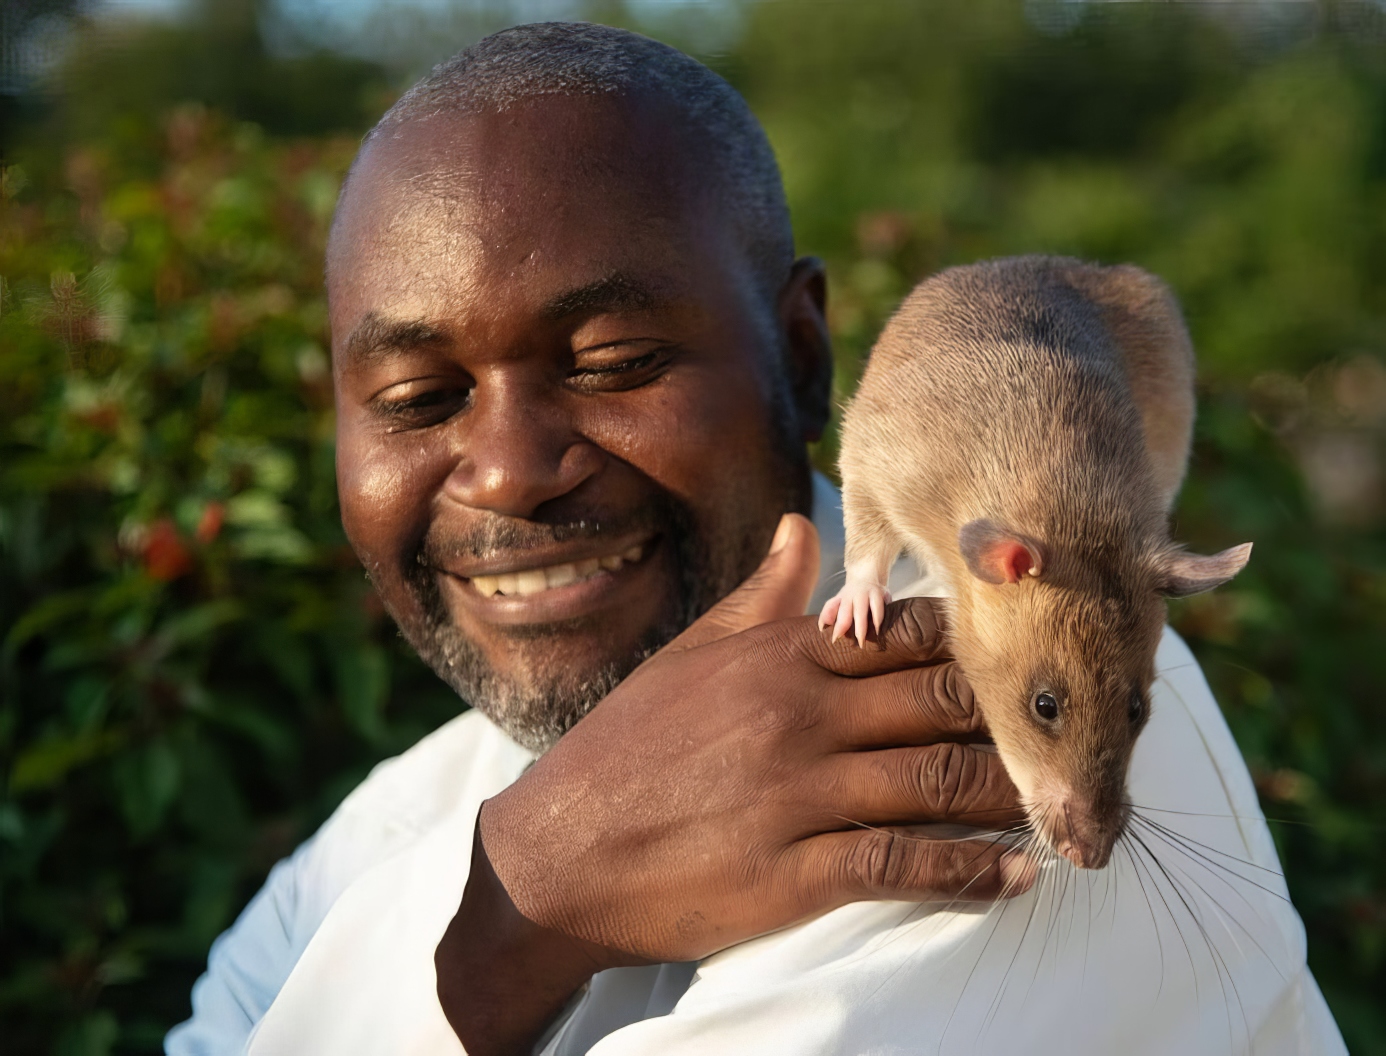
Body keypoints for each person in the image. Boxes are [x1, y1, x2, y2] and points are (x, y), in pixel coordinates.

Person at [166, 22, 1345, 1056]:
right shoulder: (388, 829)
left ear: (801, 356)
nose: (510, 475)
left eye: (615, 364)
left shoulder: (1017, 707)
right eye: (418, 397)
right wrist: (514, 906)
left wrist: (504, 924)